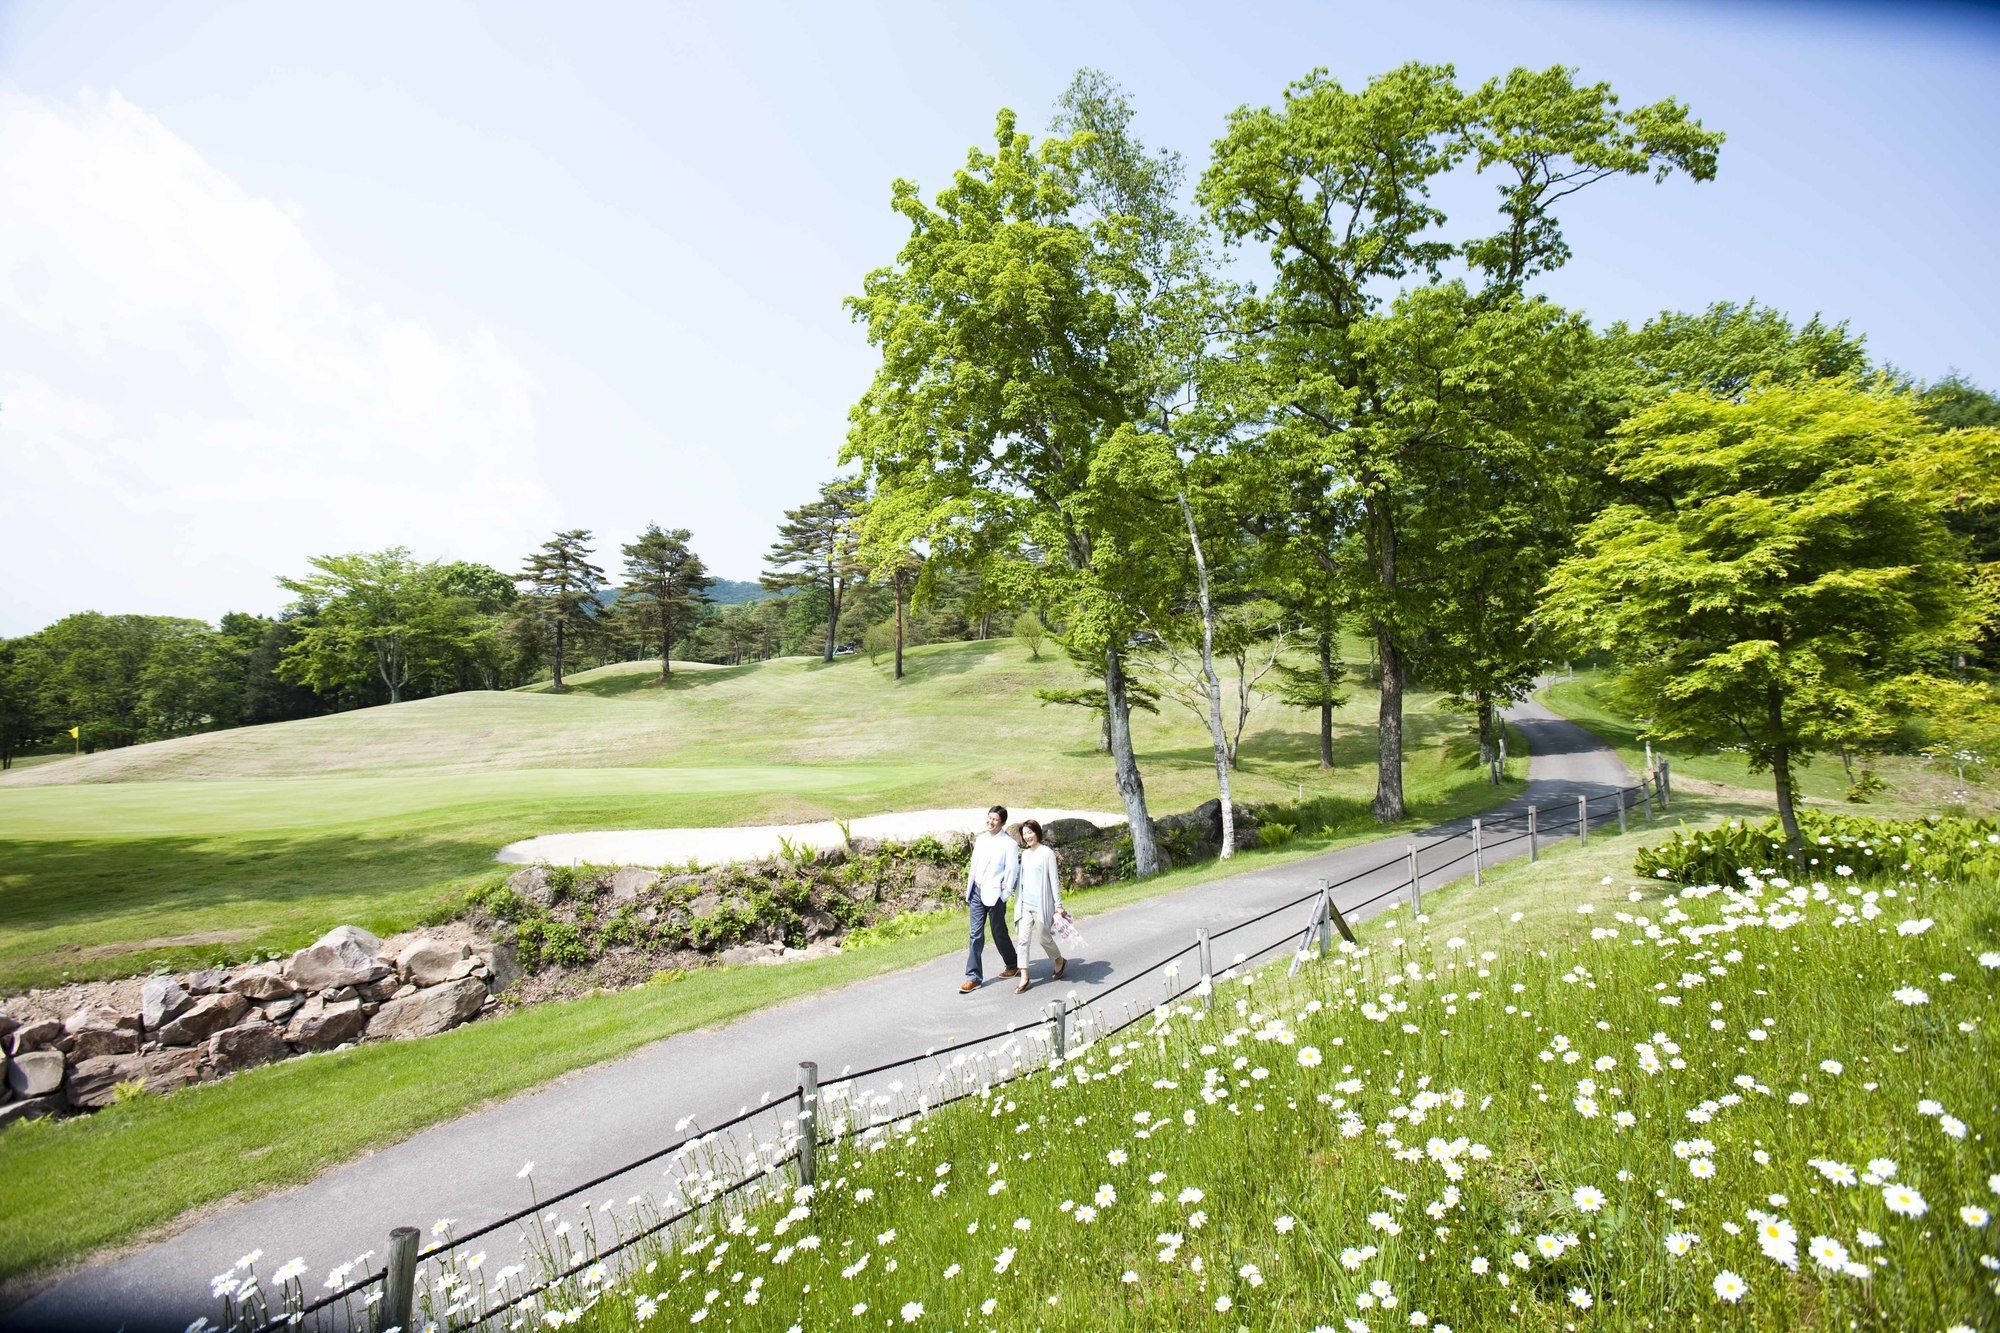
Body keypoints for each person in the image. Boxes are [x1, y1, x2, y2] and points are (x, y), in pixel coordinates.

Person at [960, 804, 1020, 994]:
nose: (990, 822)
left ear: (1002, 822)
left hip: (996, 895)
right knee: (975, 934)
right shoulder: (980, 840)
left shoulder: (1009, 844)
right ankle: (973, 977)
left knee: (998, 932)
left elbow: (1012, 871)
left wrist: (1004, 895)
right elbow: (974, 866)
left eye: (994, 819)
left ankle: (1012, 963)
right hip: (977, 891)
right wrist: (969, 890)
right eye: (989, 818)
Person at [1012, 819, 1068, 993]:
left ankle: (1059, 960)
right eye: (1025, 833)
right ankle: (1024, 978)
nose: (1028, 836)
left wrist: (1058, 905)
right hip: (1025, 904)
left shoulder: (1047, 853)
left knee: (1043, 937)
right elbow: (1021, 880)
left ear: (1037, 832)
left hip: (1042, 905)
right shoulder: (1025, 854)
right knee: (1022, 940)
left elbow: (1054, 881)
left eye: (1030, 832)